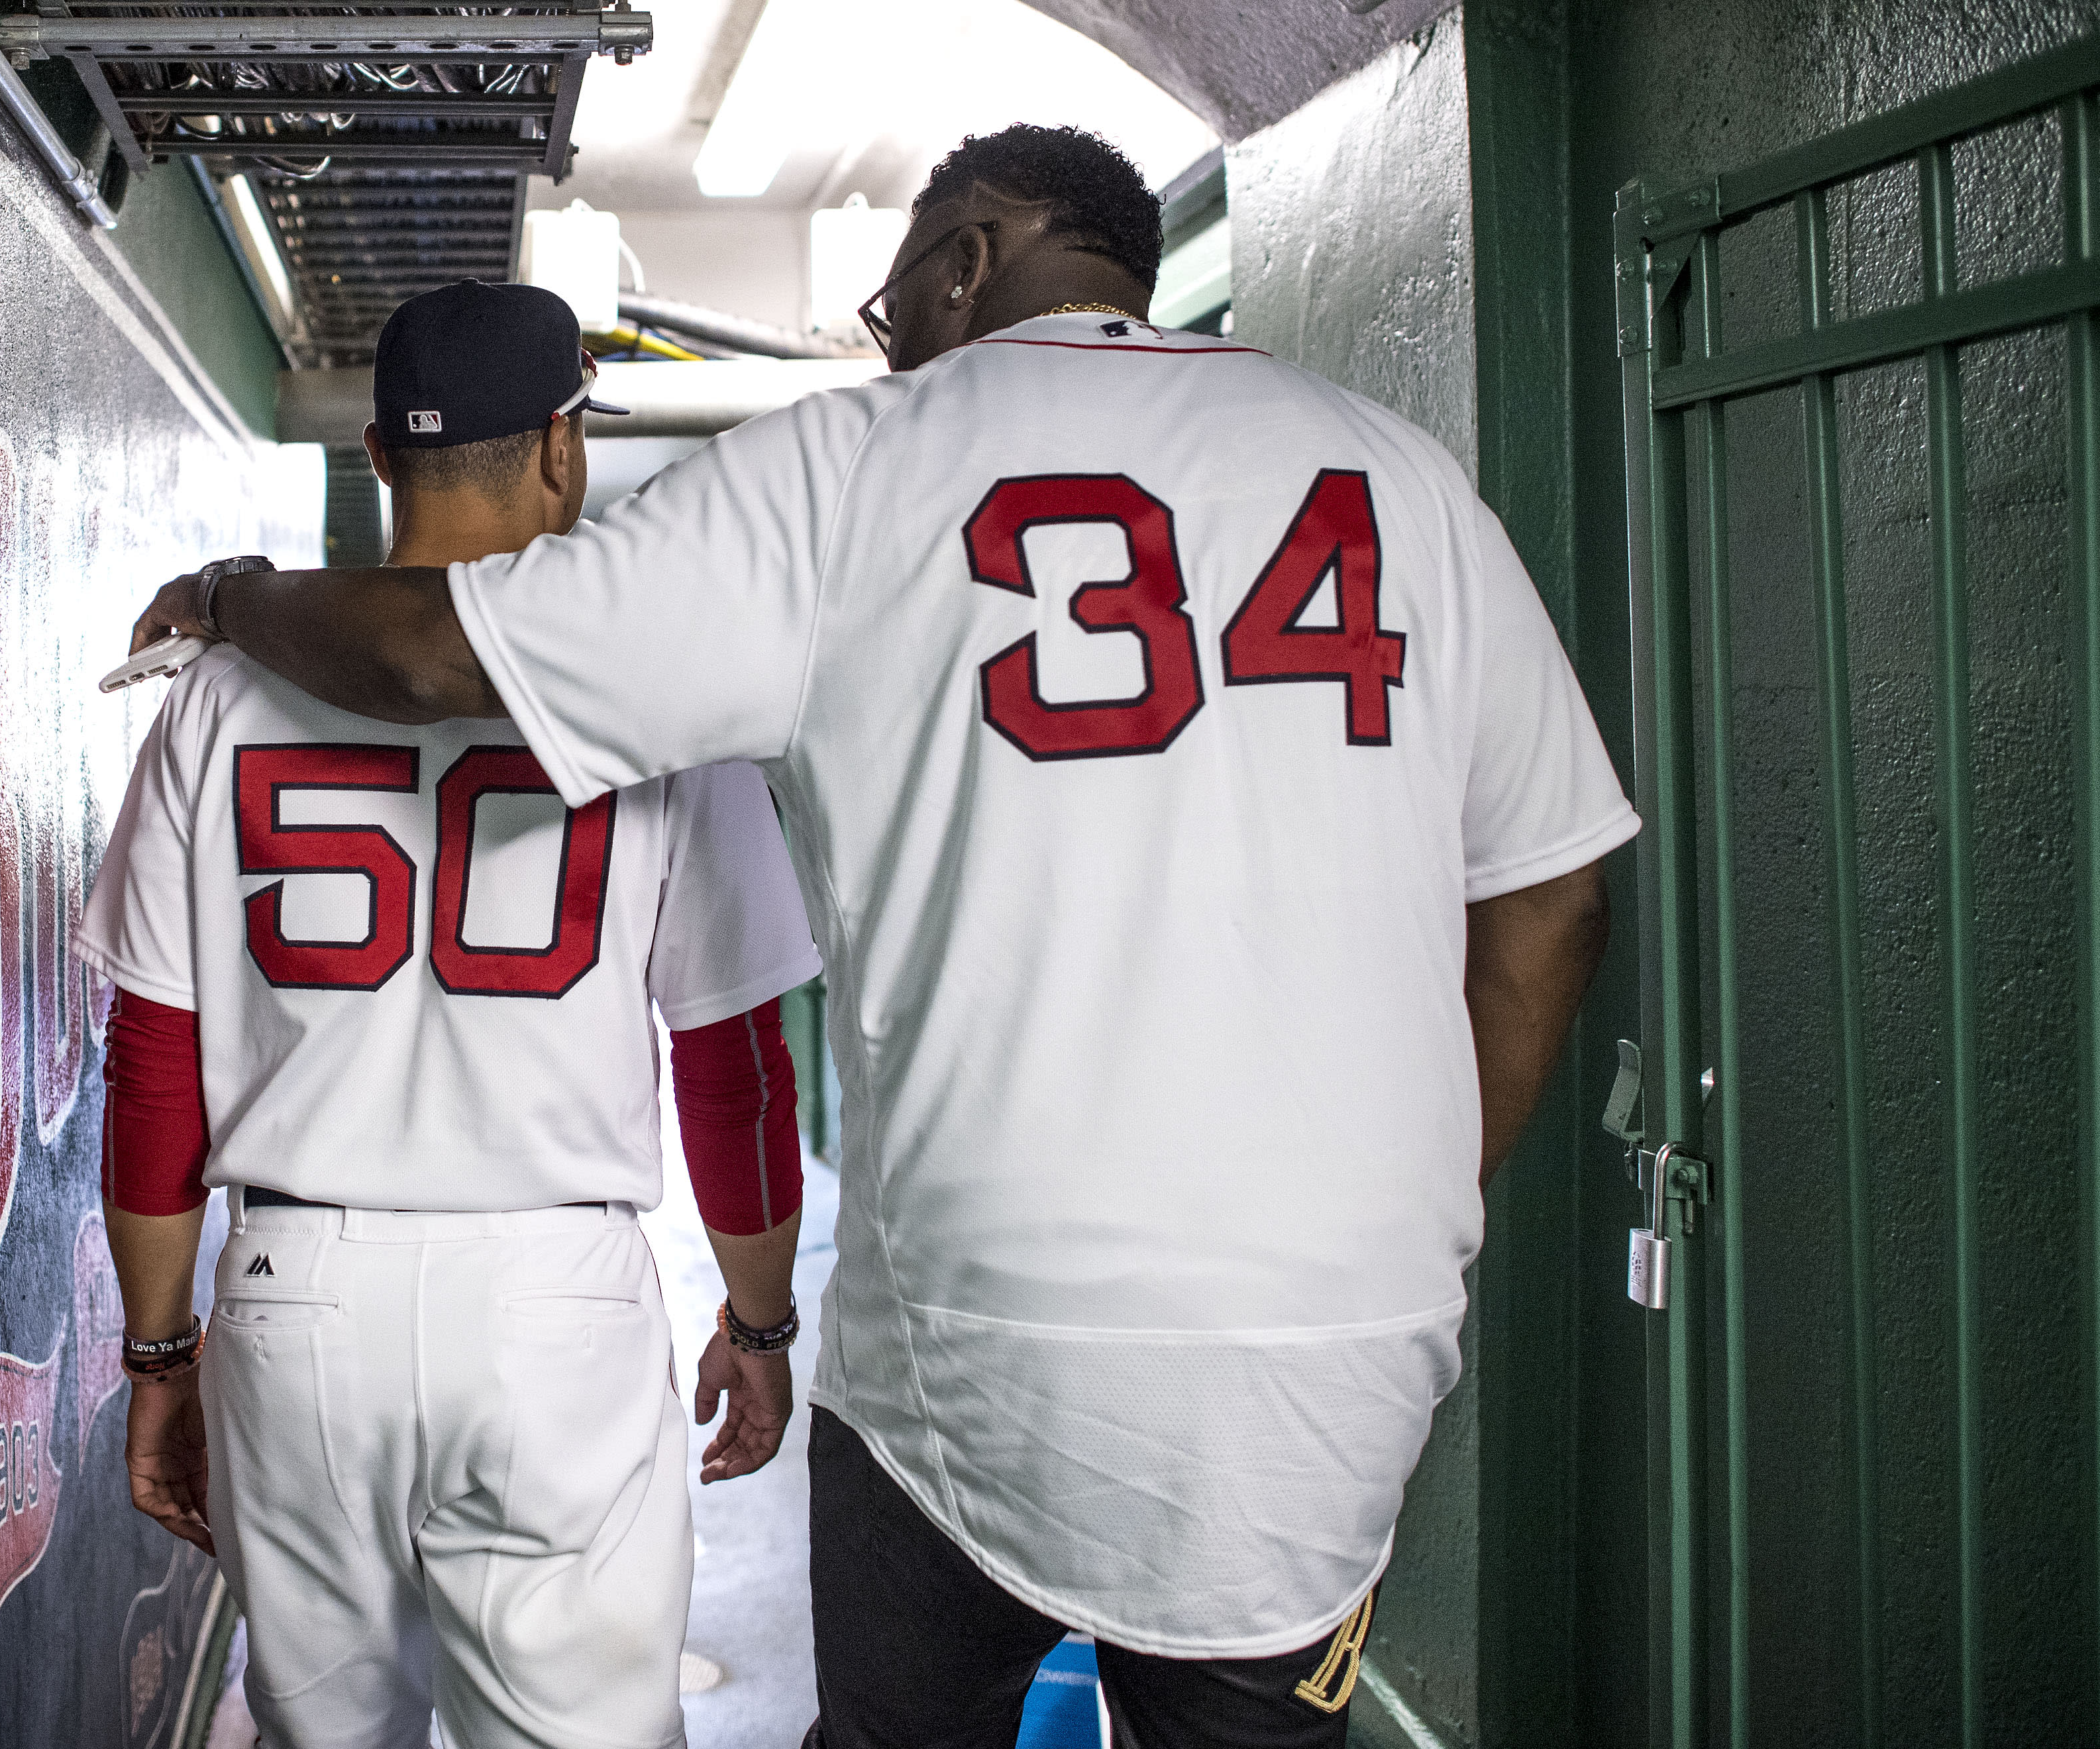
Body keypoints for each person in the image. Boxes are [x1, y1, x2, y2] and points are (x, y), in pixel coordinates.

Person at [125, 127, 1634, 1749]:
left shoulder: (850, 469)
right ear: (560, 448)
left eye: (893, 296)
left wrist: (228, 596)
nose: (886, 335)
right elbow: (1556, 894)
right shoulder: (1404, 474)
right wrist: (1405, 1197)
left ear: (970, 255)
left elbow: (430, 666)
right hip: (1316, 1360)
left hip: (949, 1335)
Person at [77, 280, 824, 1749]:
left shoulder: (215, 693)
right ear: (564, 449)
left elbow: (152, 1073)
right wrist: (757, 1317)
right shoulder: (662, 695)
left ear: (375, 457)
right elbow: (730, 1072)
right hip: (553, 1300)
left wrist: (161, 1358)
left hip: (296, 1297)